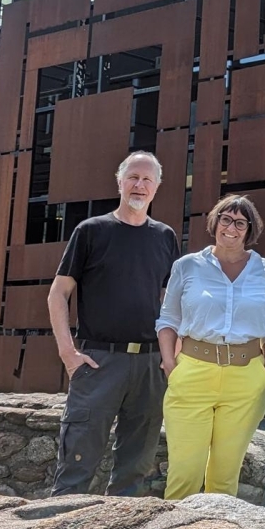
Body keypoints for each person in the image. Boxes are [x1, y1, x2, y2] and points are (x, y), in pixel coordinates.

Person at [47, 151, 180, 497]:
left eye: (147, 179)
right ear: (119, 182)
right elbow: (58, 294)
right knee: (77, 464)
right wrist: (68, 354)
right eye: (133, 177)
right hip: (99, 362)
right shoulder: (91, 231)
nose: (139, 185)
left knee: (135, 470)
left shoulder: (165, 237)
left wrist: (170, 357)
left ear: (157, 187)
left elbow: (171, 304)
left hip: (150, 365)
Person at [156, 194, 265, 500]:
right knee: (185, 473)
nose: (232, 228)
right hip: (192, 373)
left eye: (241, 222)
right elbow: (168, 318)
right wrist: (171, 364)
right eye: (226, 219)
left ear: (249, 229)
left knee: (225, 478)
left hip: (246, 379)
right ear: (215, 223)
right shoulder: (187, 266)